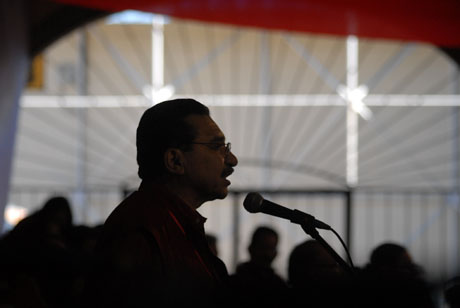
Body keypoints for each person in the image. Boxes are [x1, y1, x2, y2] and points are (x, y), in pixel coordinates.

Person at [83, 98, 238, 307]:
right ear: (175, 161)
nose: (232, 160)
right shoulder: (141, 231)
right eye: (216, 146)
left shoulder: (170, 221)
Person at [357, 242, 435, 308]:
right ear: (386, 268)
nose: (411, 269)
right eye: (405, 264)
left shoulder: (361, 286)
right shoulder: (412, 291)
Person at [229, 226, 288, 307]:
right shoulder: (279, 285)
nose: (267, 254)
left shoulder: (233, 282)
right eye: (263, 248)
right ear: (251, 249)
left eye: (271, 248)